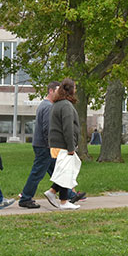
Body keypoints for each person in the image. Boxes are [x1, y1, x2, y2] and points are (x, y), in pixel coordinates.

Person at [18, 81, 61, 209]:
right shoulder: (48, 107)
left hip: (43, 145)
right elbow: (47, 128)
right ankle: (25, 198)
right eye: (58, 91)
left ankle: (68, 194)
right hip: (45, 146)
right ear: (51, 91)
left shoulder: (45, 105)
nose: (60, 94)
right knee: (37, 173)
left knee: (57, 170)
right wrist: (51, 144)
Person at [47, 78, 81, 210]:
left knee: (65, 170)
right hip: (63, 145)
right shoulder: (66, 105)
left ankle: (52, 192)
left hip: (57, 144)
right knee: (66, 172)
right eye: (75, 87)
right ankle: (63, 201)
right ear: (70, 90)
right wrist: (71, 147)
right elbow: (68, 128)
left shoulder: (57, 103)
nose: (76, 90)